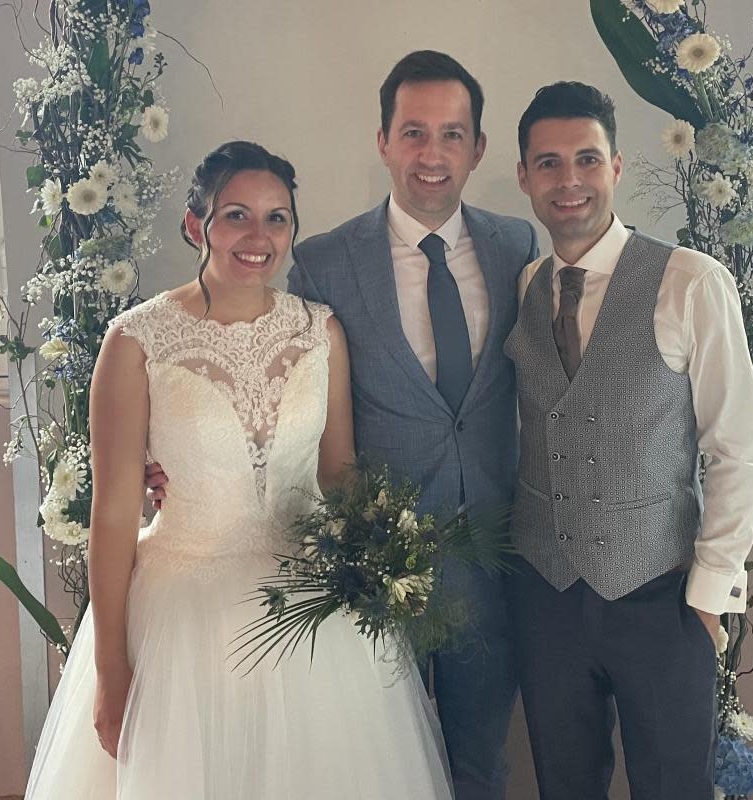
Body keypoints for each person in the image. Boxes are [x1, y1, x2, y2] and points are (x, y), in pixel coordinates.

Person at [147, 51, 537, 800]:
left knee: (480, 765)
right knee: (370, 770)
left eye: (452, 134)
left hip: (489, 552)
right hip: (364, 561)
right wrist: (167, 459)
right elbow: (268, 376)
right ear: (384, 141)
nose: (432, 154)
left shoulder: (515, 246)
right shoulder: (324, 262)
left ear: (478, 149)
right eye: (414, 132)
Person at [25, 141, 453, 800]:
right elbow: (112, 515)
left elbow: (338, 476)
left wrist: (381, 555)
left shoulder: (321, 332)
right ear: (197, 226)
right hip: (183, 615)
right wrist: (112, 671)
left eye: (277, 218)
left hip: (310, 616)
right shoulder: (136, 341)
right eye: (236, 216)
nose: (259, 237)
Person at [503, 82, 753, 799]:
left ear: (616, 167)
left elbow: (738, 449)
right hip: (546, 591)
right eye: (549, 163)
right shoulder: (527, 285)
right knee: (564, 784)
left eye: (587, 158)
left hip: (661, 594)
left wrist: (707, 600)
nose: (570, 180)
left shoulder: (690, 281)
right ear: (524, 175)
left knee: (672, 786)